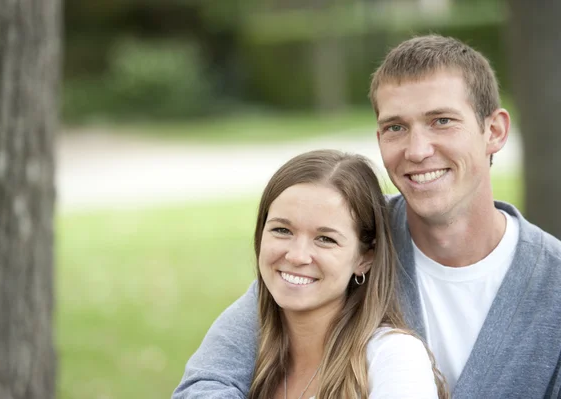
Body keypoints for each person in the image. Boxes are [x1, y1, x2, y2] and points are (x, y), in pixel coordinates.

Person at [173, 35, 561, 399]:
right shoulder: (348, 237)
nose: (418, 149)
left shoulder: (552, 285)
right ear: (379, 139)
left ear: (493, 131)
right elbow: (207, 382)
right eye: (396, 127)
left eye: (441, 121)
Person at [240, 149, 448, 398]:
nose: (297, 256)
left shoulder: (394, 357)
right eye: (282, 230)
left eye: (325, 239)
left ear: (364, 258)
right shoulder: (245, 356)